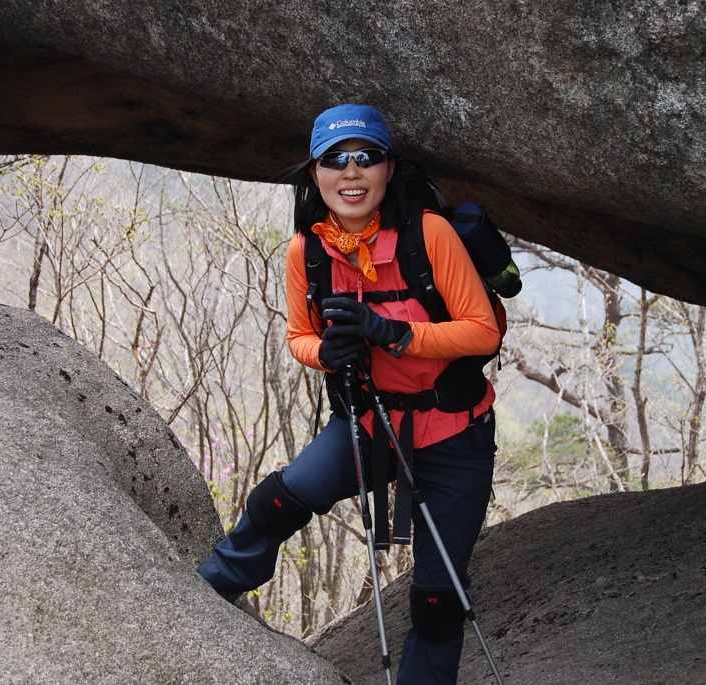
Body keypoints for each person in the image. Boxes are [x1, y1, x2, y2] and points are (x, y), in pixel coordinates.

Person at [197, 103, 501, 684]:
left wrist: (393, 333)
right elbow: (298, 336)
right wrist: (325, 354)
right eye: (335, 159)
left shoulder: (428, 236)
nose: (351, 171)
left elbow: (481, 329)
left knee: (437, 604)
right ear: (315, 174)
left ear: (389, 170)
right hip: (368, 425)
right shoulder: (305, 253)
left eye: (367, 156)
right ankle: (195, 596)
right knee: (276, 502)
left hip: (454, 433)